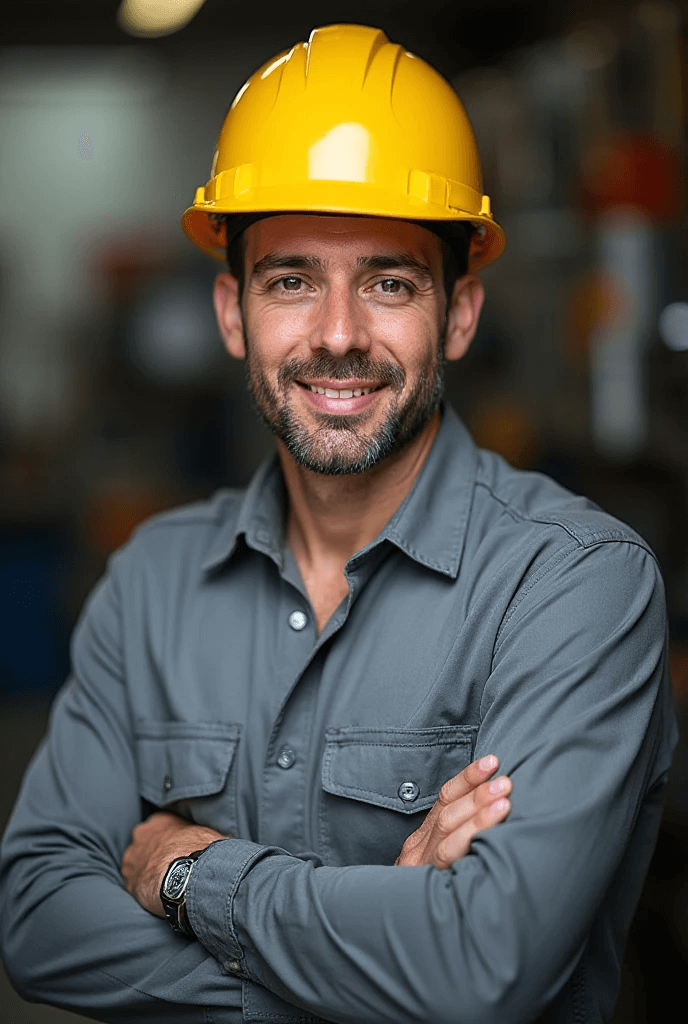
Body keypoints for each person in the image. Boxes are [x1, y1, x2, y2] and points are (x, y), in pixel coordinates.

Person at [0, 23, 677, 1024]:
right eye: (290, 280)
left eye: (389, 281)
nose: (337, 335)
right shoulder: (152, 581)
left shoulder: (575, 585)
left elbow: (486, 966)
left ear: (458, 314)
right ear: (233, 314)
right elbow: (39, 919)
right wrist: (388, 955)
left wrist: (192, 876)